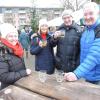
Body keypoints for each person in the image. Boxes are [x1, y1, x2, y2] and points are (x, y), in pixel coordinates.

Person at [64, 2, 100, 85]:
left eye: (91, 13)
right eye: (85, 14)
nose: (87, 17)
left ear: (98, 14)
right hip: (86, 74)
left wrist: (76, 73)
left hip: (96, 78)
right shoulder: (86, 29)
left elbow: (94, 56)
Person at [0, 23, 31, 89]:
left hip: (19, 84)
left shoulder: (17, 48)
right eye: (10, 36)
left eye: (15, 36)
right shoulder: (2, 52)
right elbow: (4, 76)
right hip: (9, 89)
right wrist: (24, 72)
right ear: (4, 37)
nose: (14, 38)